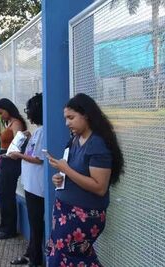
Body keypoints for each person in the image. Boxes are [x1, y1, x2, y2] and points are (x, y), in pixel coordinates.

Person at [46, 93, 124, 267]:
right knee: (69, 257)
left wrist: (66, 169)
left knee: (66, 259)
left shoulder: (97, 144)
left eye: (71, 118)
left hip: (83, 215)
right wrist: (60, 177)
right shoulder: (75, 140)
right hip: (65, 211)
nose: (67, 123)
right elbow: (74, 173)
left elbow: (99, 187)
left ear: (86, 115)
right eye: (66, 118)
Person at [9, 93, 45, 267]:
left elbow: (38, 159)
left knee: (37, 223)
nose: (28, 113)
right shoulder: (38, 131)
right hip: (31, 185)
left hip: (38, 188)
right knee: (33, 223)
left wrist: (19, 155)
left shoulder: (45, 131)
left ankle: (36, 259)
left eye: (29, 109)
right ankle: (31, 253)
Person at [0, 98, 27, 240]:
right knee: (3, 194)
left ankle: (9, 229)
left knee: (6, 195)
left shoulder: (16, 123)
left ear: (8, 109)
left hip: (11, 162)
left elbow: (18, 143)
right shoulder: (10, 123)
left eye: (1, 112)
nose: (0, 116)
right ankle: (4, 226)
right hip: (5, 159)